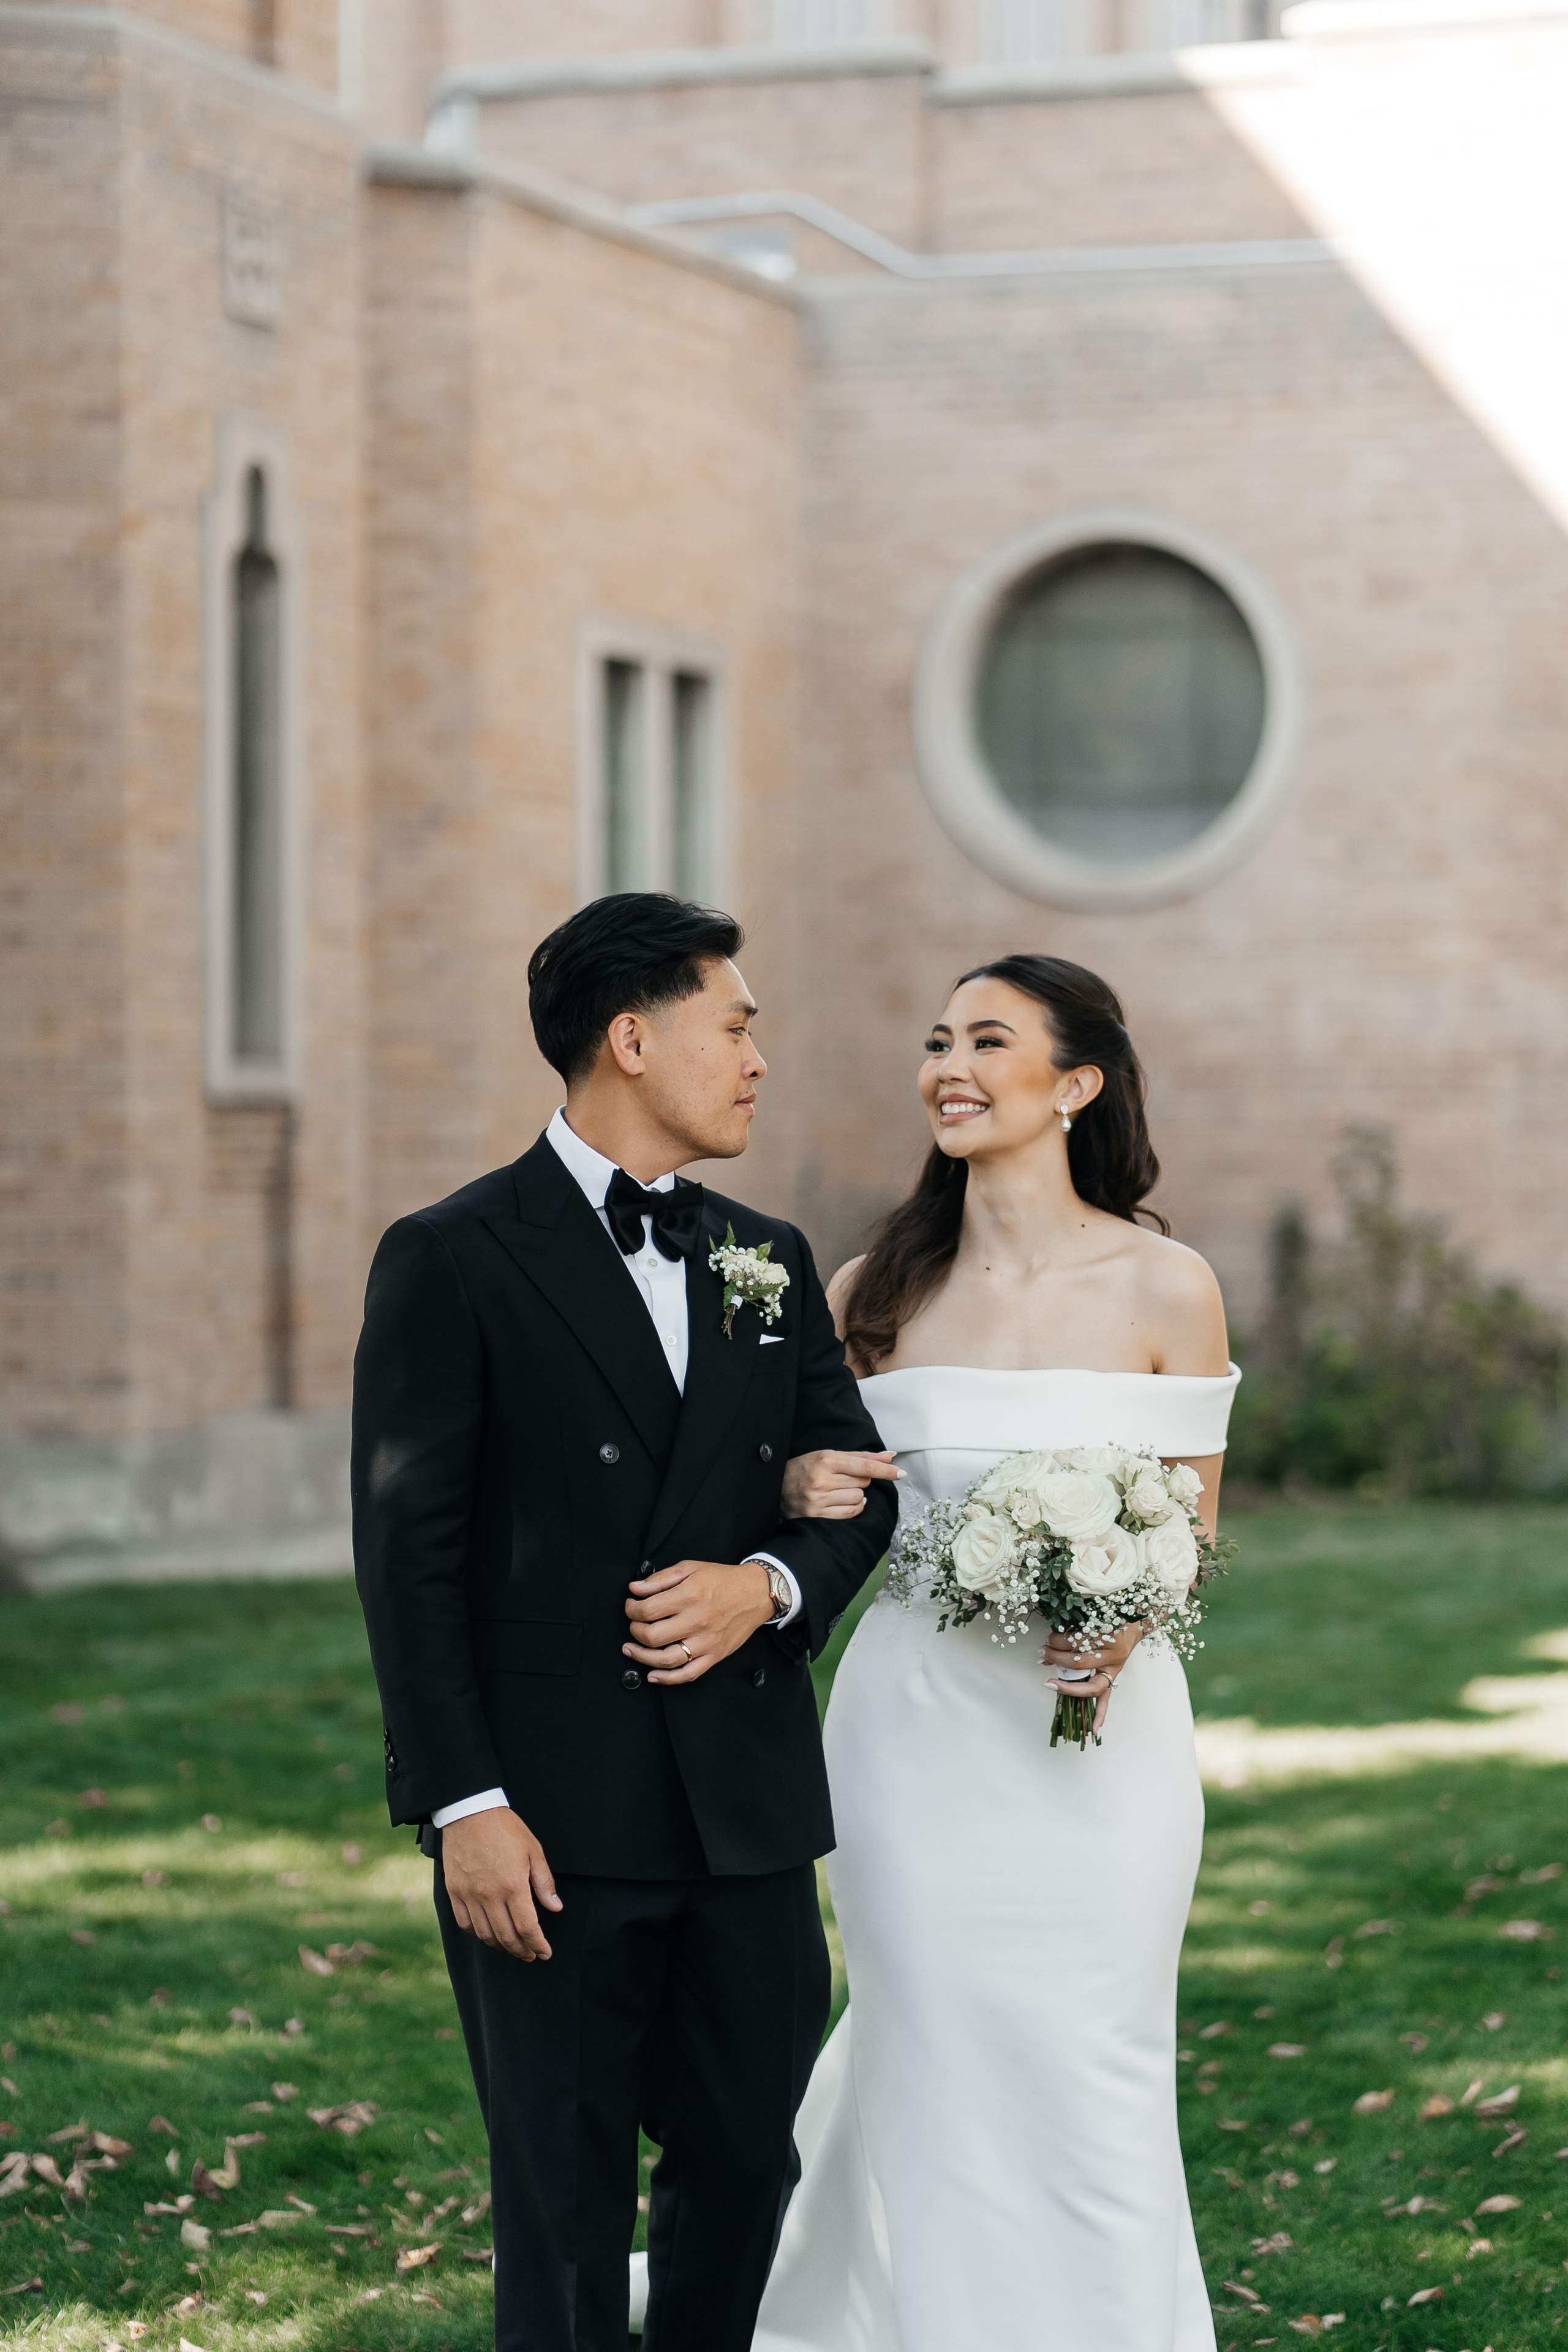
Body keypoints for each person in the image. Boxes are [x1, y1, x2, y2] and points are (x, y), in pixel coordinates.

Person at [350, 893, 896, 2352]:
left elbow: (858, 1493)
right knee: (562, 2196)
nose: (756, 1059)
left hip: (746, 1813)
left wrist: (765, 1584)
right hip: (548, 1820)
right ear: (632, 1038)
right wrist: (464, 1802)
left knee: (746, 2166)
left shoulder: (766, 1256)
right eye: (735, 1025)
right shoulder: (452, 1256)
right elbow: (408, 1559)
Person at [755, 952, 1237, 2352]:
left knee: (1094, 2054)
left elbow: (1193, 1530)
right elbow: (814, 1491)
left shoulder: (1167, 1283)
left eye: (985, 1041)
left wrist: (1124, 1613)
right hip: (912, 1736)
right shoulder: (873, 1289)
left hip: (1104, 1743)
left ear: (1074, 1084)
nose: (946, 1067)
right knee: (934, 2041)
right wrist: (798, 1496)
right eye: (934, 1042)